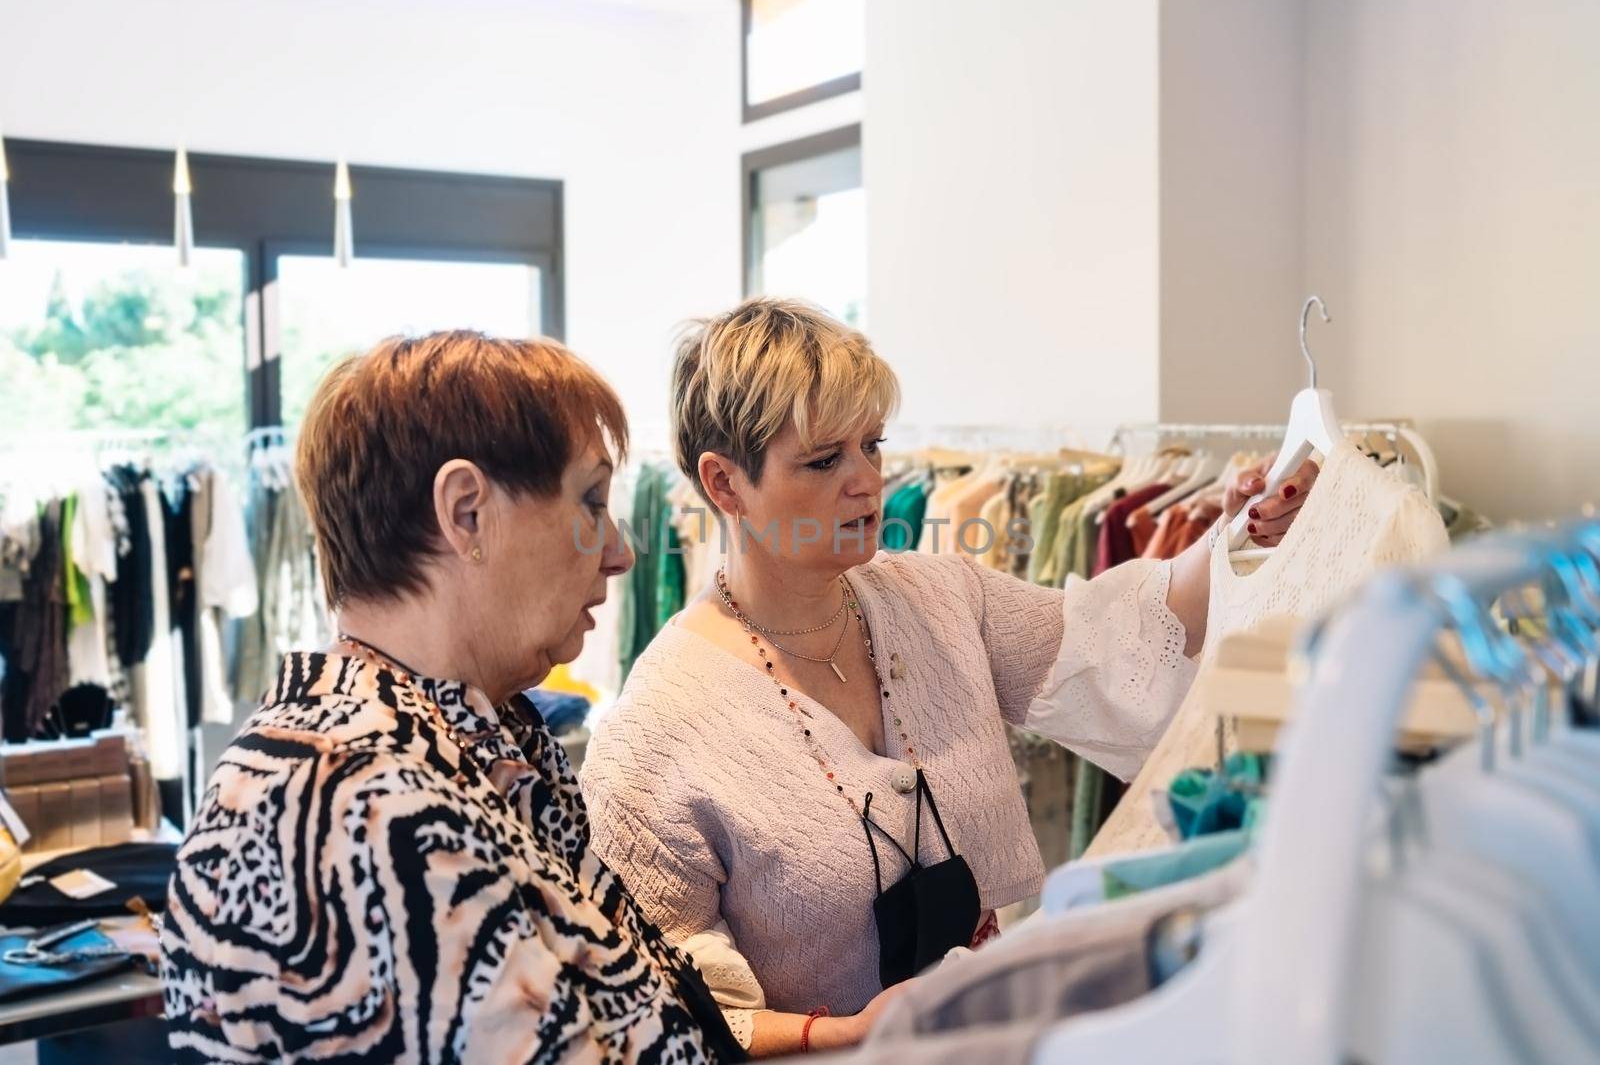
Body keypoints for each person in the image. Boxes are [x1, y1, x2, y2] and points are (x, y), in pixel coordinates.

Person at [580, 298, 1317, 1056]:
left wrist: (1236, 529)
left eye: (872, 444)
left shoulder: (934, 596)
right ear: (725, 483)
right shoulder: (657, 731)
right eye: (825, 459)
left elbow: (1119, 630)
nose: (869, 480)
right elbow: (649, 1007)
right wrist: (841, 1031)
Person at [160, 332, 746, 1063]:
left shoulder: (465, 739)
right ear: (467, 512)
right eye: (590, 498)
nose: (621, 550)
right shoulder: (365, 806)